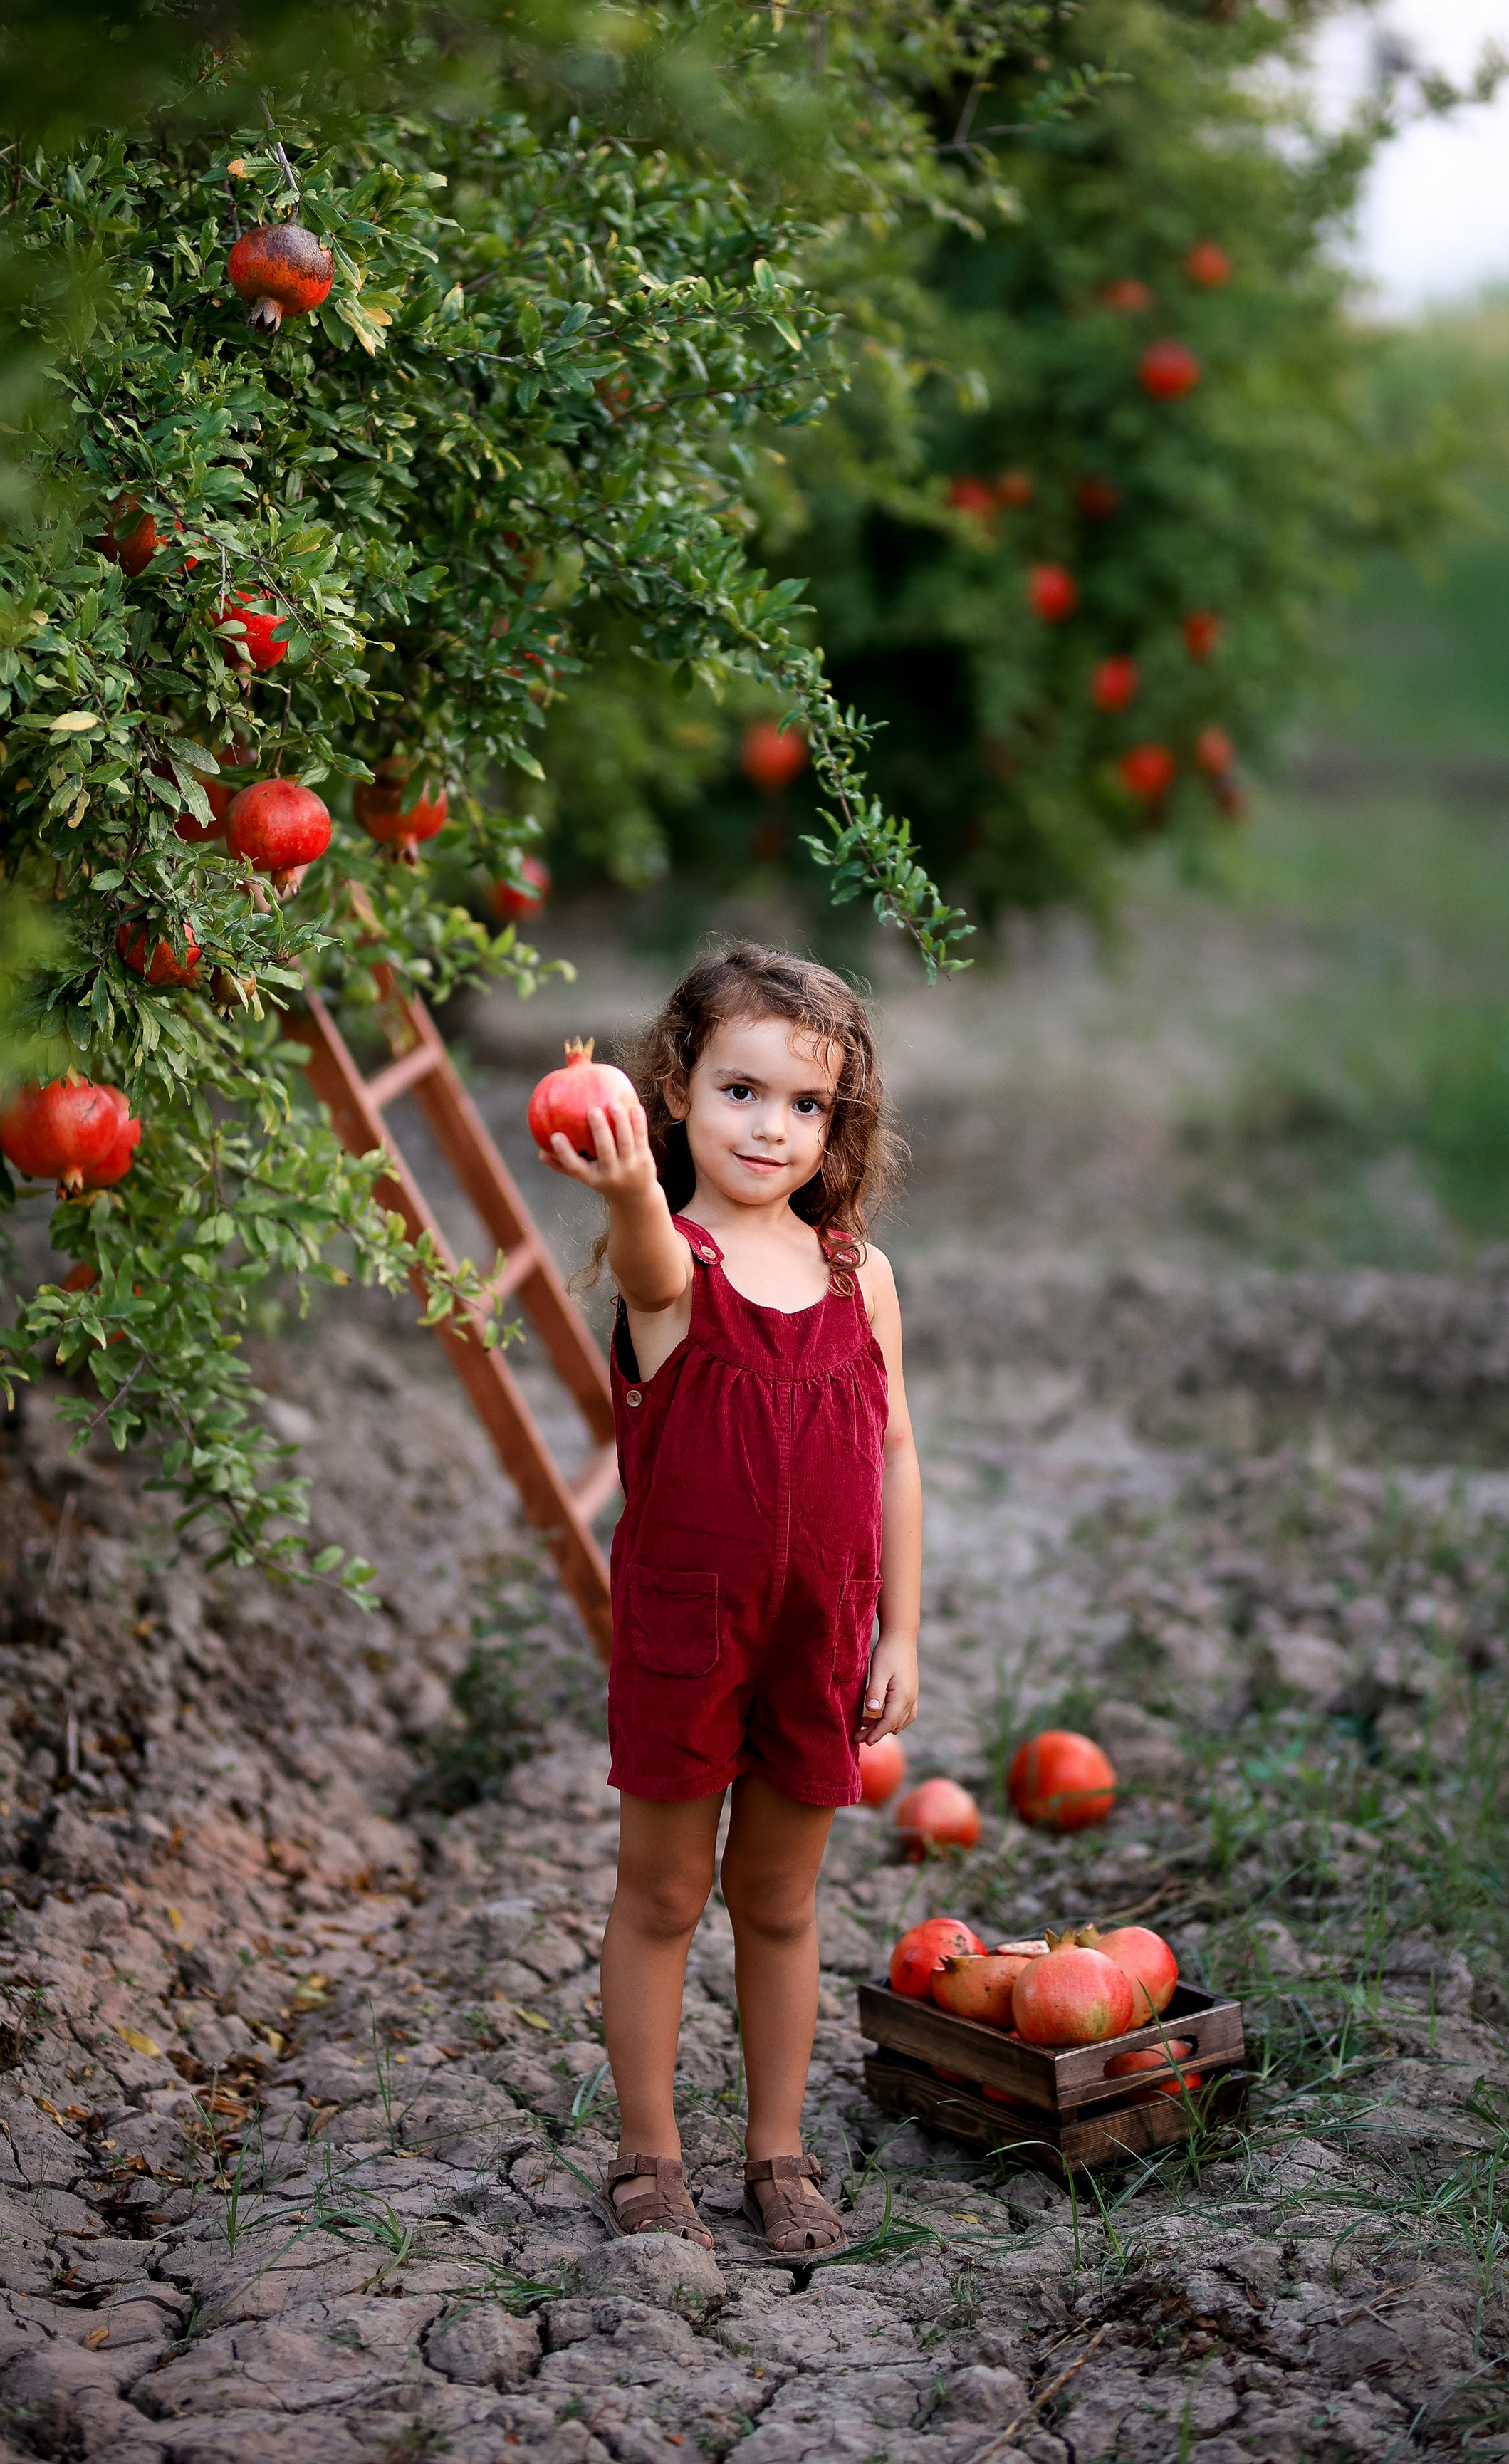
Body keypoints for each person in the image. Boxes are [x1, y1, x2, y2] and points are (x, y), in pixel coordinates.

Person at [539, 941, 921, 2257]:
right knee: (661, 1892)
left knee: (779, 1899)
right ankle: (649, 2147)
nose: (773, 1126)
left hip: (818, 1640)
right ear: (679, 1092)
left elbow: (898, 1454)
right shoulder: (677, 1268)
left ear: (840, 1124)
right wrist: (633, 1183)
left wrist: (905, 1628)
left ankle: (776, 2150)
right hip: (688, 1634)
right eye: (740, 1091)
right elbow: (642, 1253)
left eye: (806, 1105)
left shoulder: (856, 1273)